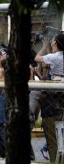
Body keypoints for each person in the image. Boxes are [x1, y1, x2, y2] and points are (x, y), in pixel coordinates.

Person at [34, 33, 64, 162]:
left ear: (56, 42)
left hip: (53, 102)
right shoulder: (57, 57)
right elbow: (46, 66)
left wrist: (44, 46)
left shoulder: (56, 57)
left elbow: (37, 58)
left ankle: (54, 160)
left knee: (52, 138)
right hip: (61, 99)